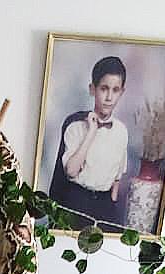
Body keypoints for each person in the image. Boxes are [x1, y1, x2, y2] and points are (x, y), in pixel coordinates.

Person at [47, 55, 131, 228]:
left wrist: (111, 203)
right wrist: (91, 133)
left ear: (122, 92)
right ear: (93, 89)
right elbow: (71, 171)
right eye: (104, 89)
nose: (109, 97)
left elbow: (117, 178)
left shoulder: (121, 131)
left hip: (104, 206)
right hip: (76, 202)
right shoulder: (75, 126)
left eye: (115, 90)